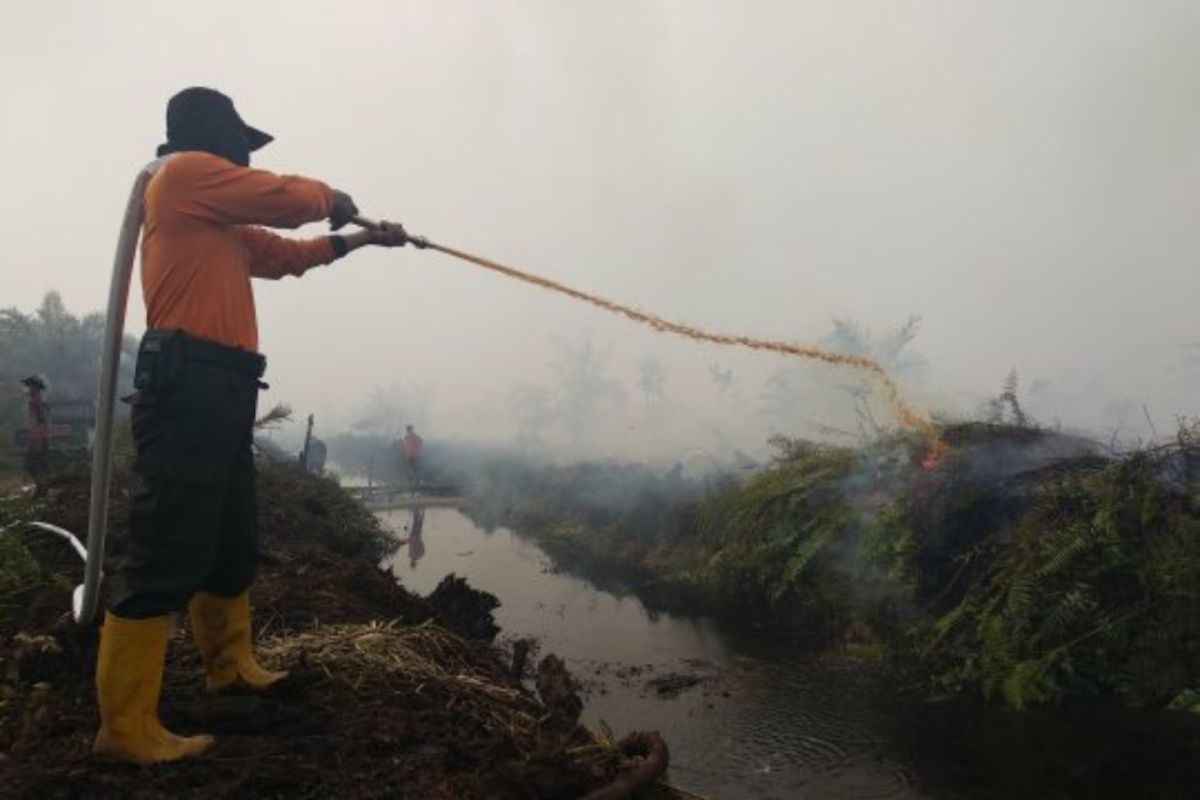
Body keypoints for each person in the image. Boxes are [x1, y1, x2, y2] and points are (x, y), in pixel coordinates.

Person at [93, 87, 411, 765]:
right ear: (214, 137)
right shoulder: (181, 177)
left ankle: (228, 666)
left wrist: (358, 240)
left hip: (223, 394)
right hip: (187, 392)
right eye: (239, 143)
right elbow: (283, 199)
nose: (244, 157)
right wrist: (337, 198)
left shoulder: (216, 224)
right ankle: (125, 727)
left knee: (233, 541)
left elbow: (286, 256)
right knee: (165, 550)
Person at [20, 375, 50, 486]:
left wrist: (39, 440)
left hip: (39, 436)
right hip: (37, 435)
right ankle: (42, 486)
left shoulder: (37, 401)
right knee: (36, 463)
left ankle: (42, 487)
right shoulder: (35, 400)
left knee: (33, 463)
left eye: (30, 386)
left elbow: (41, 421)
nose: (28, 388)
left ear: (36, 387)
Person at [402, 424, 424, 490]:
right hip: (409, 456)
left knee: (415, 470)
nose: (409, 431)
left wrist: (418, 453)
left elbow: (420, 444)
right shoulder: (406, 437)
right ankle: (412, 483)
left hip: (415, 456)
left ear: (412, 430)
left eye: (410, 429)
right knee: (410, 470)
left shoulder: (414, 437)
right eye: (408, 430)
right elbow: (405, 447)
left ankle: (417, 483)